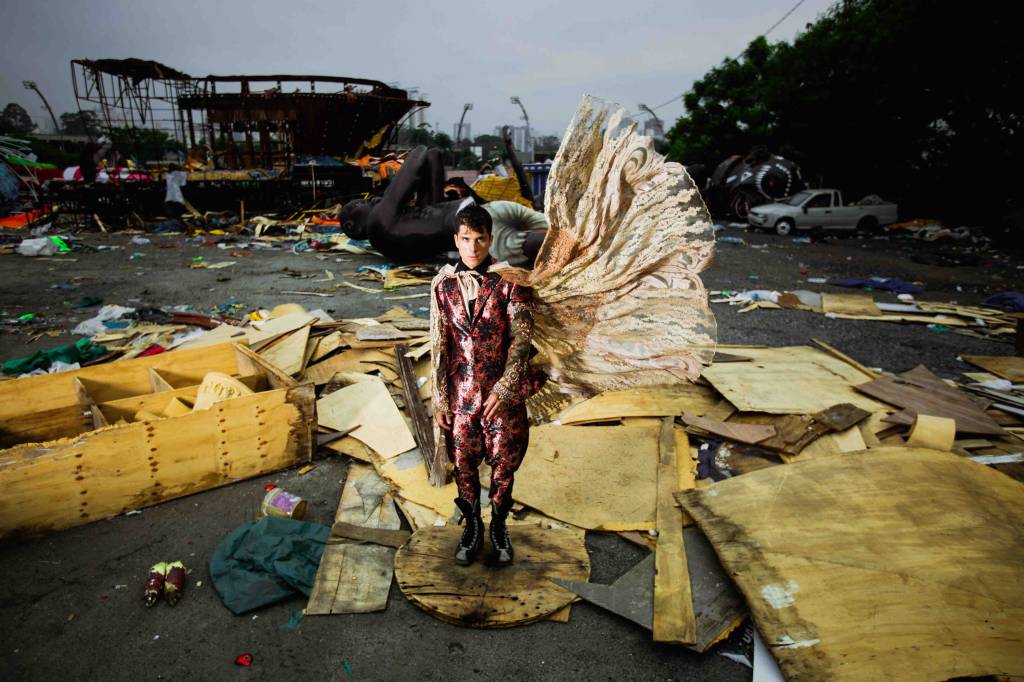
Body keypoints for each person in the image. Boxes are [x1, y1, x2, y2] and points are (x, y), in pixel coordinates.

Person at [429, 204, 543, 567]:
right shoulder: (442, 285)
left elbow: (522, 340)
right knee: (463, 465)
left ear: (490, 240)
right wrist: (439, 397)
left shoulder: (511, 281)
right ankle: (473, 527)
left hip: (502, 399)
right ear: (456, 241)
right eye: (466, 240)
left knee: (504, 466)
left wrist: (507, 387)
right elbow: (439, 343)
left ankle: (499, 527)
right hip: (461, 396)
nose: (473, 248)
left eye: (480, 240)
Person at [339, 138, 547, 266]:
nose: (370, 200)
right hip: (481, 224)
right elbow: (415, 163)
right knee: (561, 239)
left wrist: (428, 153)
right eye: (359, 204)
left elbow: (432, 159)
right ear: (353, 226)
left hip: (479, 221)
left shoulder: (401, 227)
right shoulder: (378, 225)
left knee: (562, 238)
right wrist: (419, 149)